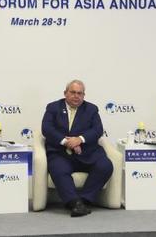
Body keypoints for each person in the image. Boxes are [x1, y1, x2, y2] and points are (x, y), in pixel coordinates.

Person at [41, 80, 113, 217]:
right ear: (65, 93)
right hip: (61, 153)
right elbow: (47, 129)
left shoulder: (91, 109)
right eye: (73, 92)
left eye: (80, 93)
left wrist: (80, 139)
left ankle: (83, 200)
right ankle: (74, 203)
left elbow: (97, 130)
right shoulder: (53, 107)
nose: (76, 96)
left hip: (86, 153)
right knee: (59, 169)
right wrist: (67, 142)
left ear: (83, 95)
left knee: (105, 165)